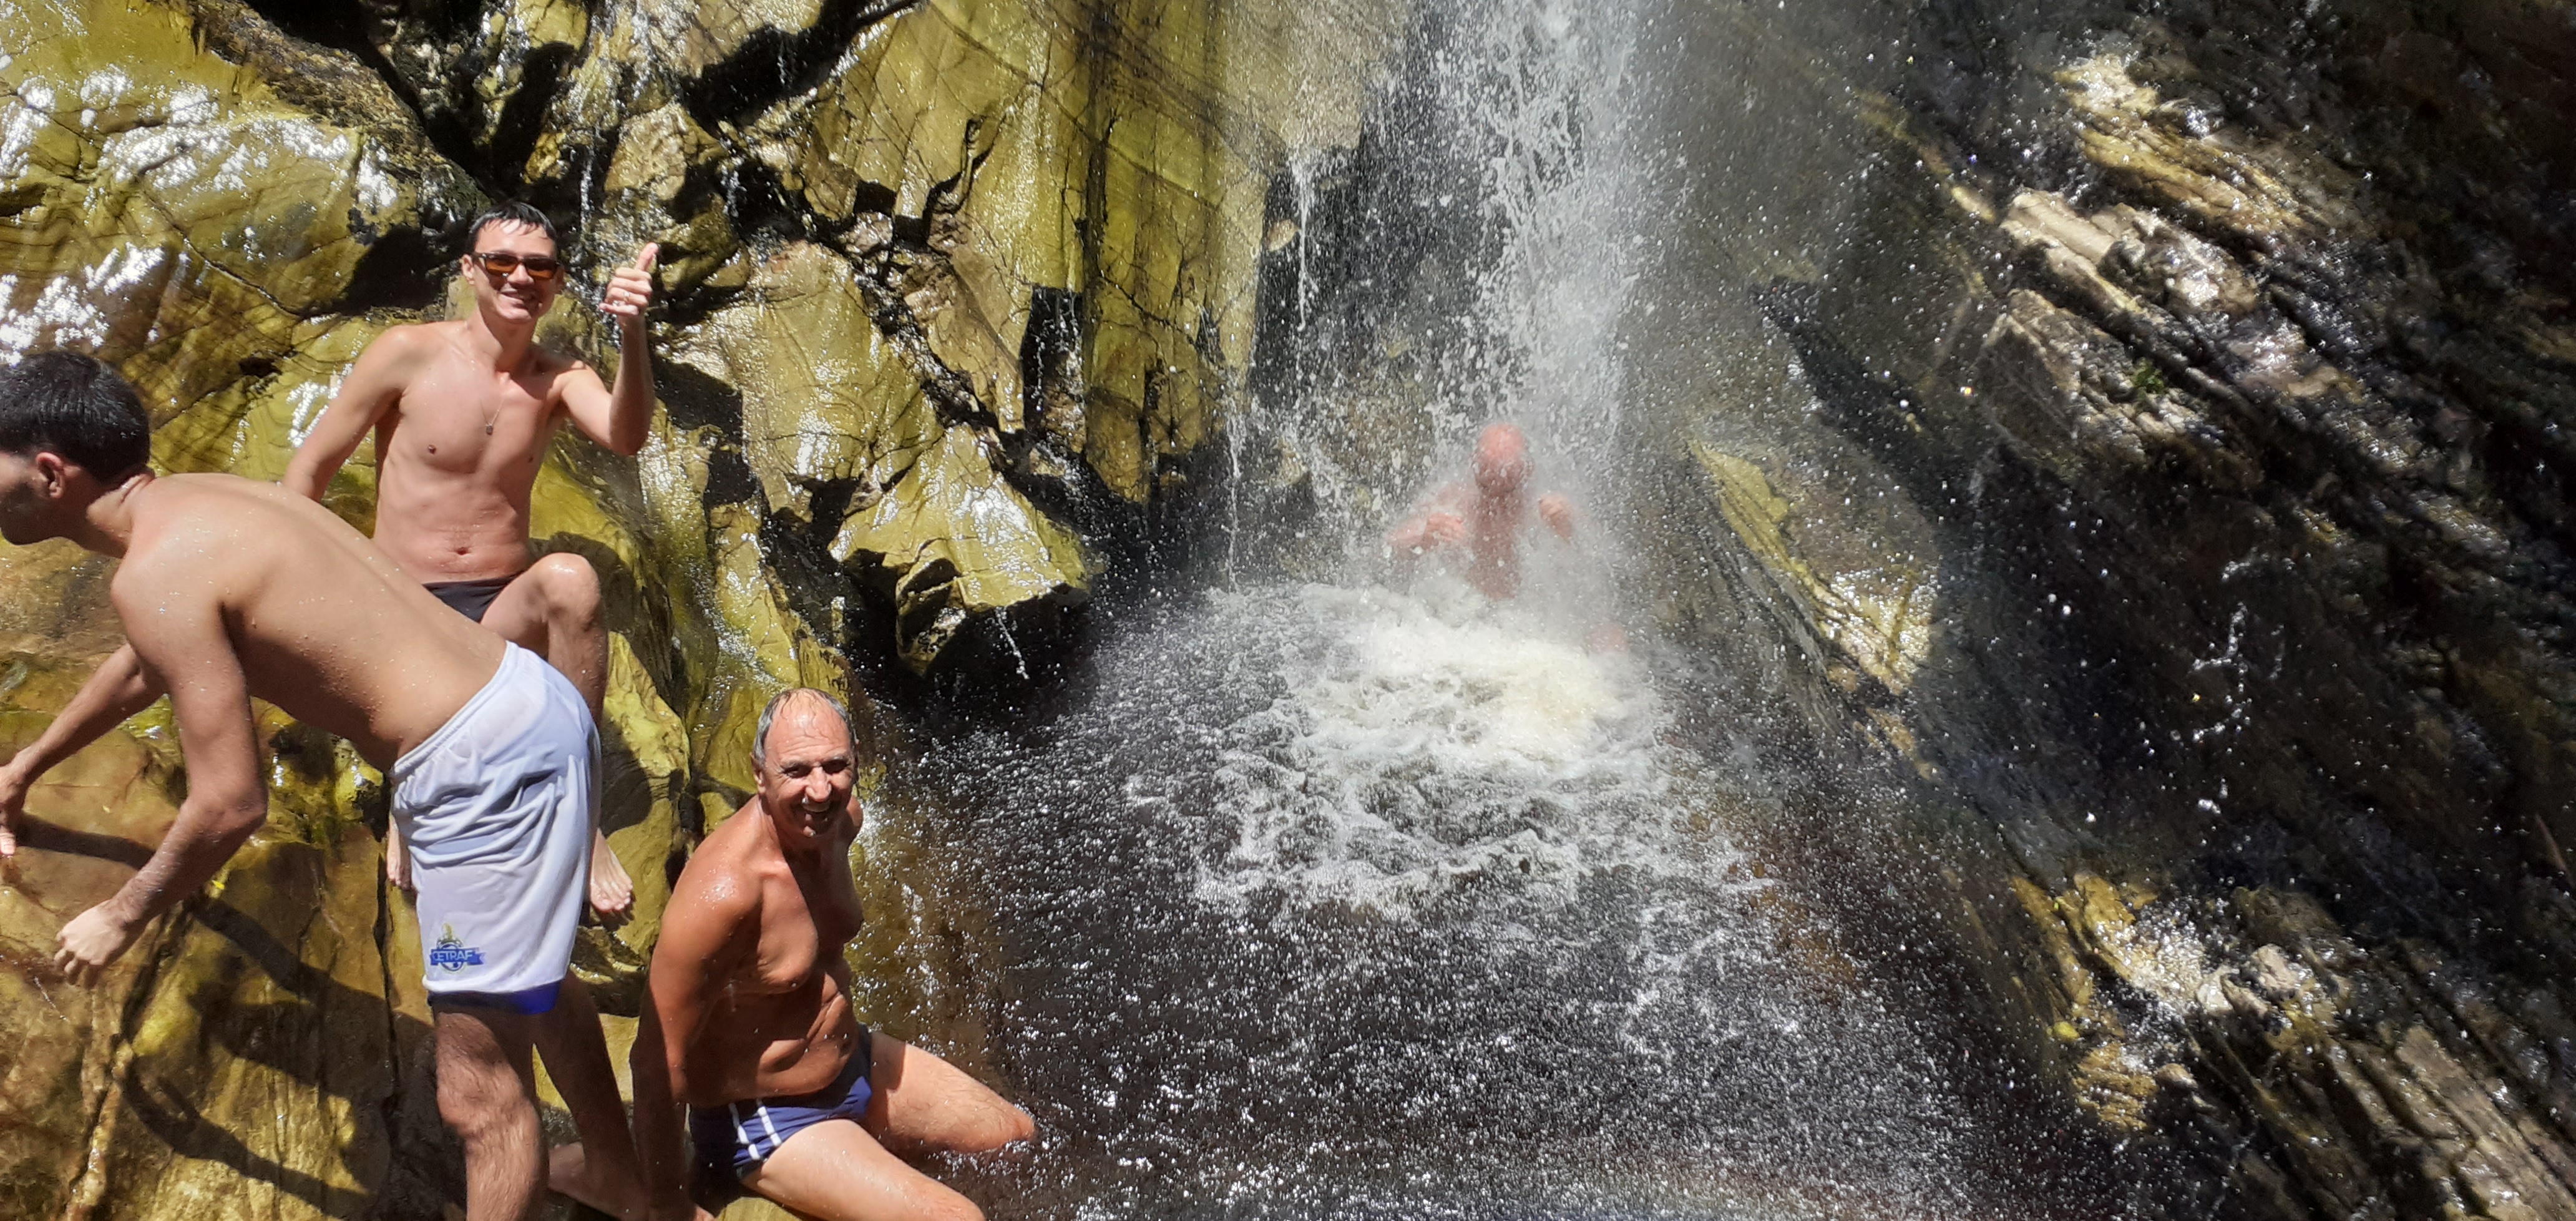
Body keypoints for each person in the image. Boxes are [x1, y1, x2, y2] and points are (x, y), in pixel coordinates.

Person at [0, 351, 647, 1221]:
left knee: (478, 1097)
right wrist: (25, 767)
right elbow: (145, 665)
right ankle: (617, 1177)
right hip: (530, 704)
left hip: (480, 772)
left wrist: (122, 914)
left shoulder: (154, 573)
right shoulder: (206, 501)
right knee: (532, 976)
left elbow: (231, 803)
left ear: (50, 474)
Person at [281, 201, 656, 919]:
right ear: (469, 270)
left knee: (573, 578)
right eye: (502, 262)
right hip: (402, 609)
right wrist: (302, 595)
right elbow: (309, 473)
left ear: (558, 282)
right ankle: (409, 790)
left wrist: (634, 333)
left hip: (495, 615)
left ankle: (579, 814)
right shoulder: (406, 353)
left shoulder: (557, 378)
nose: (521, 278)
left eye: (539, 267)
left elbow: (626, 435)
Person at [580, 687, 1034, 1221]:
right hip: (766, 1113)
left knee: (1015, 1139)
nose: (820, 791)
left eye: (835, 766)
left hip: (852, 1061)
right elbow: (657, 1059)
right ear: (759, 775)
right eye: (796, 771)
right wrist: (667, 1203)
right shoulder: (726, 894)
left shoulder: (843, 822)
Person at [1385, 421, 1578, 600]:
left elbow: (1586, 564)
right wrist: (1423, 541)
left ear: (1528, 470)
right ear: (1473, 464)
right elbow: (1385, 554)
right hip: (1462, 613)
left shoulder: (1546, 510)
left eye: (1508, 491)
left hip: (1526, 615)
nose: (1495, 501)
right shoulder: (1451, 500)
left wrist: (1566, 529)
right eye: (1485, 487)